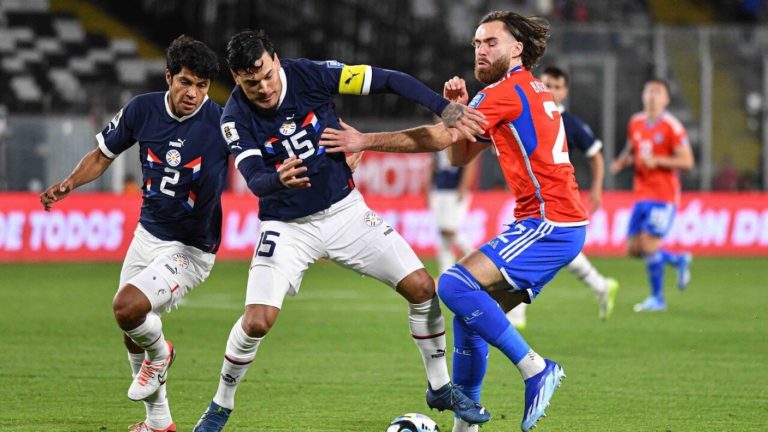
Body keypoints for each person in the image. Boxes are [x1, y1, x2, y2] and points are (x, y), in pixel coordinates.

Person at [192, 29, 490, 432]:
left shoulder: (312, 75)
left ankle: (439, 387)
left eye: (266, 75)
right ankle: (220, 405)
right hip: (287, 226)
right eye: (250, 82)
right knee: (257, 320)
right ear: (235, 77)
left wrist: (444, 107)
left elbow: (389, 79)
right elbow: (255, 179)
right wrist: (277, 179)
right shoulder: (234, 118)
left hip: (346, 213)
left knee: (422, 287)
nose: (262, 88)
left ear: (276, 60)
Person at [321, 11, 587, 432]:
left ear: (517, 49)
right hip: (556, 223)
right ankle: (467, 424)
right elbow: (459, 154)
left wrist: (364, 140)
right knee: (470, 314)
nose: (481, 50)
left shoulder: (504, 91)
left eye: (491, 43)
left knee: (453, 285)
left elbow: (438, 139)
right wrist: (458, 111)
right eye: (476, 43)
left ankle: (536, 368)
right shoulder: (525, 90)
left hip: (548, 222)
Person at [39, 35, 228, 432]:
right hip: (148, 235)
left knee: (127, 308)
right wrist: (69, 183)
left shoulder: (223, 122)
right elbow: (102, 155)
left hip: (191, 248)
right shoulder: (142, 109)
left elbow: (263, 157)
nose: (193, 93)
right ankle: (159, 424)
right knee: (131, 331)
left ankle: (162, 354)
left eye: (202, 85)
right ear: (169, 77)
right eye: (186, 82)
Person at [506, 66, 619, 328]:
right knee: (556, 251)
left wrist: (597, 188)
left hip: (556, 198)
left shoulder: (570, 122)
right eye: (546, 85)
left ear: (565, 92)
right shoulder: (527, 114)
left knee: (533, 250)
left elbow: (596, 155)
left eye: (557, 87)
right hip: (534, 195)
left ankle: (517, 313)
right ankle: (601, 285)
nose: (551, 91)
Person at [611, 79, 694, 312]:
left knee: (648, 244)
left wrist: (658, 161)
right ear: (643, 96)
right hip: (641, 193)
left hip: (663, 195)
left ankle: (658, 299)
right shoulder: (636, 122)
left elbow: (687, 161)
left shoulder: (672, 127)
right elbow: (632, 147)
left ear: (666, 99)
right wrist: (623, 161)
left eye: (658, 92)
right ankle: (678, 260)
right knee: (633, 248)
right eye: (649, 91)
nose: (652, 96)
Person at [429, 149, 480, 275]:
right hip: (439, 189)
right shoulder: (438, 146)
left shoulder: (459, 142)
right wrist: (429, 187)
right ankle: (445, 272)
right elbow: (433, 165)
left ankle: (473, 255)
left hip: (454, 190)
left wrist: (463, 187)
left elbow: (469, 164)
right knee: (443, 236)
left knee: (449, 230)